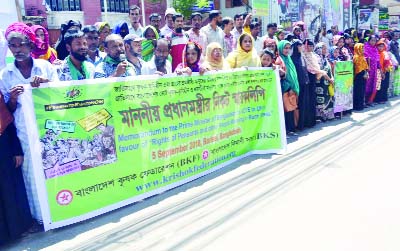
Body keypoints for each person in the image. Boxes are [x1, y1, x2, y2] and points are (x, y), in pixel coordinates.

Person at [0, 22, 58, 224]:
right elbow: (5, 111)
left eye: (21, 44)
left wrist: (45, 86)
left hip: (49, 129)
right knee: (31, 176)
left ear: (31, 45)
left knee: (54, 171)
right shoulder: (5, 75)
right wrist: (13, 99)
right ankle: (39, 218)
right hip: (23, 134)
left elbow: (62, 97)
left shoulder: (45, 67)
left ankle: (59, 213)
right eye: (13, 45)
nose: (17, 50)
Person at [0, 91, 33, 245]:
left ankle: (13, 233)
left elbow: (7, 122)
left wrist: (16, 150)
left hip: (4, 148)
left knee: (9, 190)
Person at [277, 40, 300, 135]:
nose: (287, 50)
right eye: (285, 48)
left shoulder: (289, 59)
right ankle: (287, 130)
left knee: (291, 109)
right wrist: (289, 87)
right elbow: (282, 77)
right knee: (286, 109)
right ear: (280, 48)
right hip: (286, 89)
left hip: (292, 89)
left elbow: (293, 75)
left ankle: (291, 128)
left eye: (289, 48)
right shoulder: (279, 60)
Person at [291, 39, 312, 129]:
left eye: (301, 45)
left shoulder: (301, 56)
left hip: (305, 82)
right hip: (298, 84)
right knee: (299, 104)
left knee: (305, 103)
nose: (301, 47)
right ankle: (299, 125)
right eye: (299, 46)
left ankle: (305, 123)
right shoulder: (292, 58)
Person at [314, 42, 335, 121]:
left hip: (327, 82)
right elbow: (320, 71)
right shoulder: (316, 58)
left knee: (328, 97)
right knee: (321, 99)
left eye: (325, 49)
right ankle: (321, 116)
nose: (325, 50)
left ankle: (328, 115)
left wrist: (332, 78)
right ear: (318, 49)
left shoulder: (325, 58)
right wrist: (329, 79)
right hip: (320, 83)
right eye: (323, 48)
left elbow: (329, 69)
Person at [374, 38, 392, 104]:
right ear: (377, 46)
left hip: (385, 71)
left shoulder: (385, 53)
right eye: (379, 46)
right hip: (378, 71)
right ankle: (378, 99)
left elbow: (387, 62)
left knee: (384, 85)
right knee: (378, 85)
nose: (381, 47)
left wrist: (385, 70)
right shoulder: (376, 53)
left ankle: (383, 98)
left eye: (382, 46)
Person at [364, 35, 380, 106]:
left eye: (375, 40)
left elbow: (377, 60)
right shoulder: (366, 48)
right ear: (369, 41)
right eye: (372, 40)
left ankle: (370, 101)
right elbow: (365, 59)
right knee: (367, 85)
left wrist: (379, 69)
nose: (373, 42)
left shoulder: (375, 49)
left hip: (374, 70)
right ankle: (364, 101)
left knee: (373, 85)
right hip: (368, 70)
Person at [352, 43, 369, 110]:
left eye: (363, 48)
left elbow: (366, 67)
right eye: (361, 48)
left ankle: (361, 105)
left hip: (363, 76)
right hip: (358, 76)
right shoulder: (356, 57)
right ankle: (357, 106)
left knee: (362, 91)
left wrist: (366, 73)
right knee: (358, 91)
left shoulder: (362, 57)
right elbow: (356, 69)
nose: (363, 49)